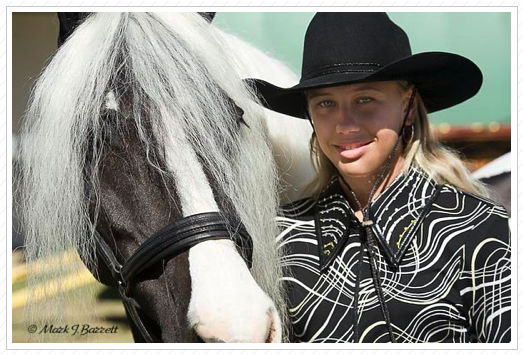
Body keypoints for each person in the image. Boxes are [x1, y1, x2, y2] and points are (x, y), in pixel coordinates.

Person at [247, 12, 511, 343]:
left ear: (409, 106)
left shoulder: (478, 227)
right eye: (325, 103)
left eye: (365, 99)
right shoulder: (280, 236)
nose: (345, 123)